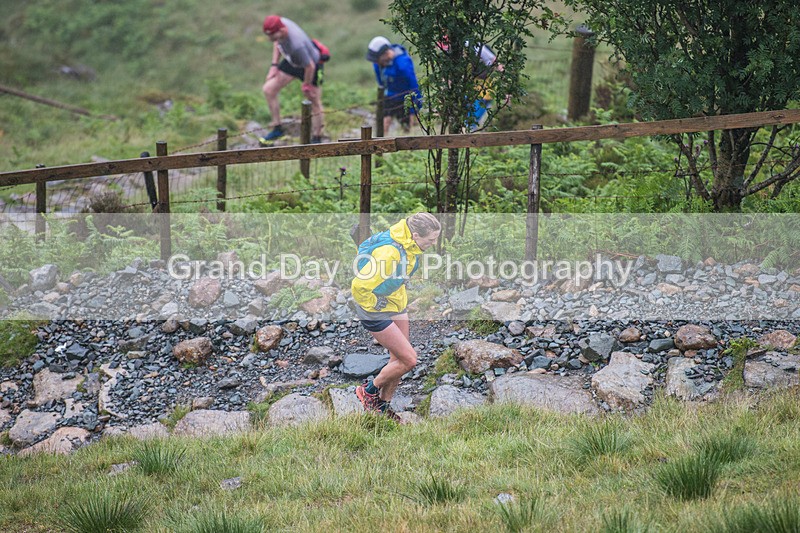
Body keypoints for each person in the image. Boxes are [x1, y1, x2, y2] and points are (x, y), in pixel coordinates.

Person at [352, 212, 441, 420]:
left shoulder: (410, 244)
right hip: (374, 309)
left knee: (398, 359)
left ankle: (381, 408)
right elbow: (359, 287)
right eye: (431, 240)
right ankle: (368, 391)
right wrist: (375, 302)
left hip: (395, 303)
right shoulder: (389, 252)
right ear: (416, 234)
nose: (434, 243)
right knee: (409, 360)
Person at [259, 15, 325, 145]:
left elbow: (309, 66)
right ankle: (277, 128)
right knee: (268, 89)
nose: (270, 39)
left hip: (311, 65)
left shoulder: (296, 45)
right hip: (292, 61)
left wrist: (306, 85)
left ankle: (317, 137)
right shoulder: (279, 25)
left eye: (272, 36)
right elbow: (277, 44)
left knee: (314, 101)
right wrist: (274, 66)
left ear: (282, 31)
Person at [365, 36, 422, 134]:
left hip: (405, 98)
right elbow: (381, 82)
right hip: (389, 96)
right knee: (383, 124)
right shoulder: (378, 64)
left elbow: (413, 84)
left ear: (386, 53)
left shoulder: (402, 64)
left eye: (377, 59)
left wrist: (415, 106)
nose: (376, 62)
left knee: (406, 127)